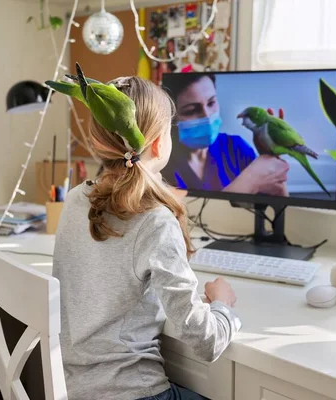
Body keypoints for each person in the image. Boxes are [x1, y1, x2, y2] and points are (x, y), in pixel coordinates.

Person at [52, 76, 241, 400]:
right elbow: (205, 341)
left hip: (75, 389)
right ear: (157, 144)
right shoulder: (154, 220)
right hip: (134, 392)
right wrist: (223, 304)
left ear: (99, 141)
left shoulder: (75, 199)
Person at [162, 73, 289, 196]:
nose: (207, 116)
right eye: (192, 110)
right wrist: (249, 181)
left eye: (211, 103)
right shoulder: (161, 161)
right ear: (172, 117)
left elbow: (277, 203)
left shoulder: (235, 148)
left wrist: (271, 159)